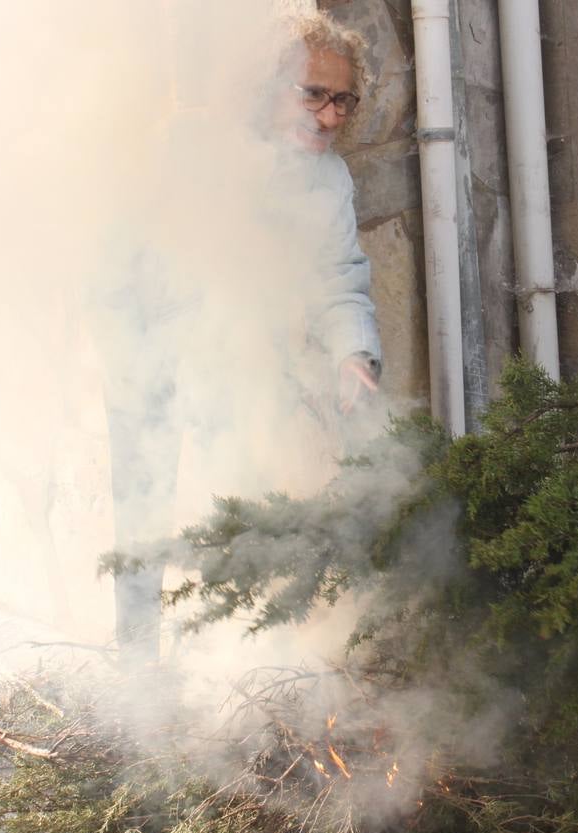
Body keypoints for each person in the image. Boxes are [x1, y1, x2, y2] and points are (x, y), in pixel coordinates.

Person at [99, 10, 382, 665]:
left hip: (243, 363)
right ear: (266, 83)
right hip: (150, 354)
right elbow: (116, 258)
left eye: (344, 99)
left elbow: (339, 277)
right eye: (314, 94)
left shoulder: (326, 179)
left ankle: (244, 664)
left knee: (250, 500)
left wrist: (354, 354)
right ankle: (138, 669)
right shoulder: (187, 145)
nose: (332, 116)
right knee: (143, 516)